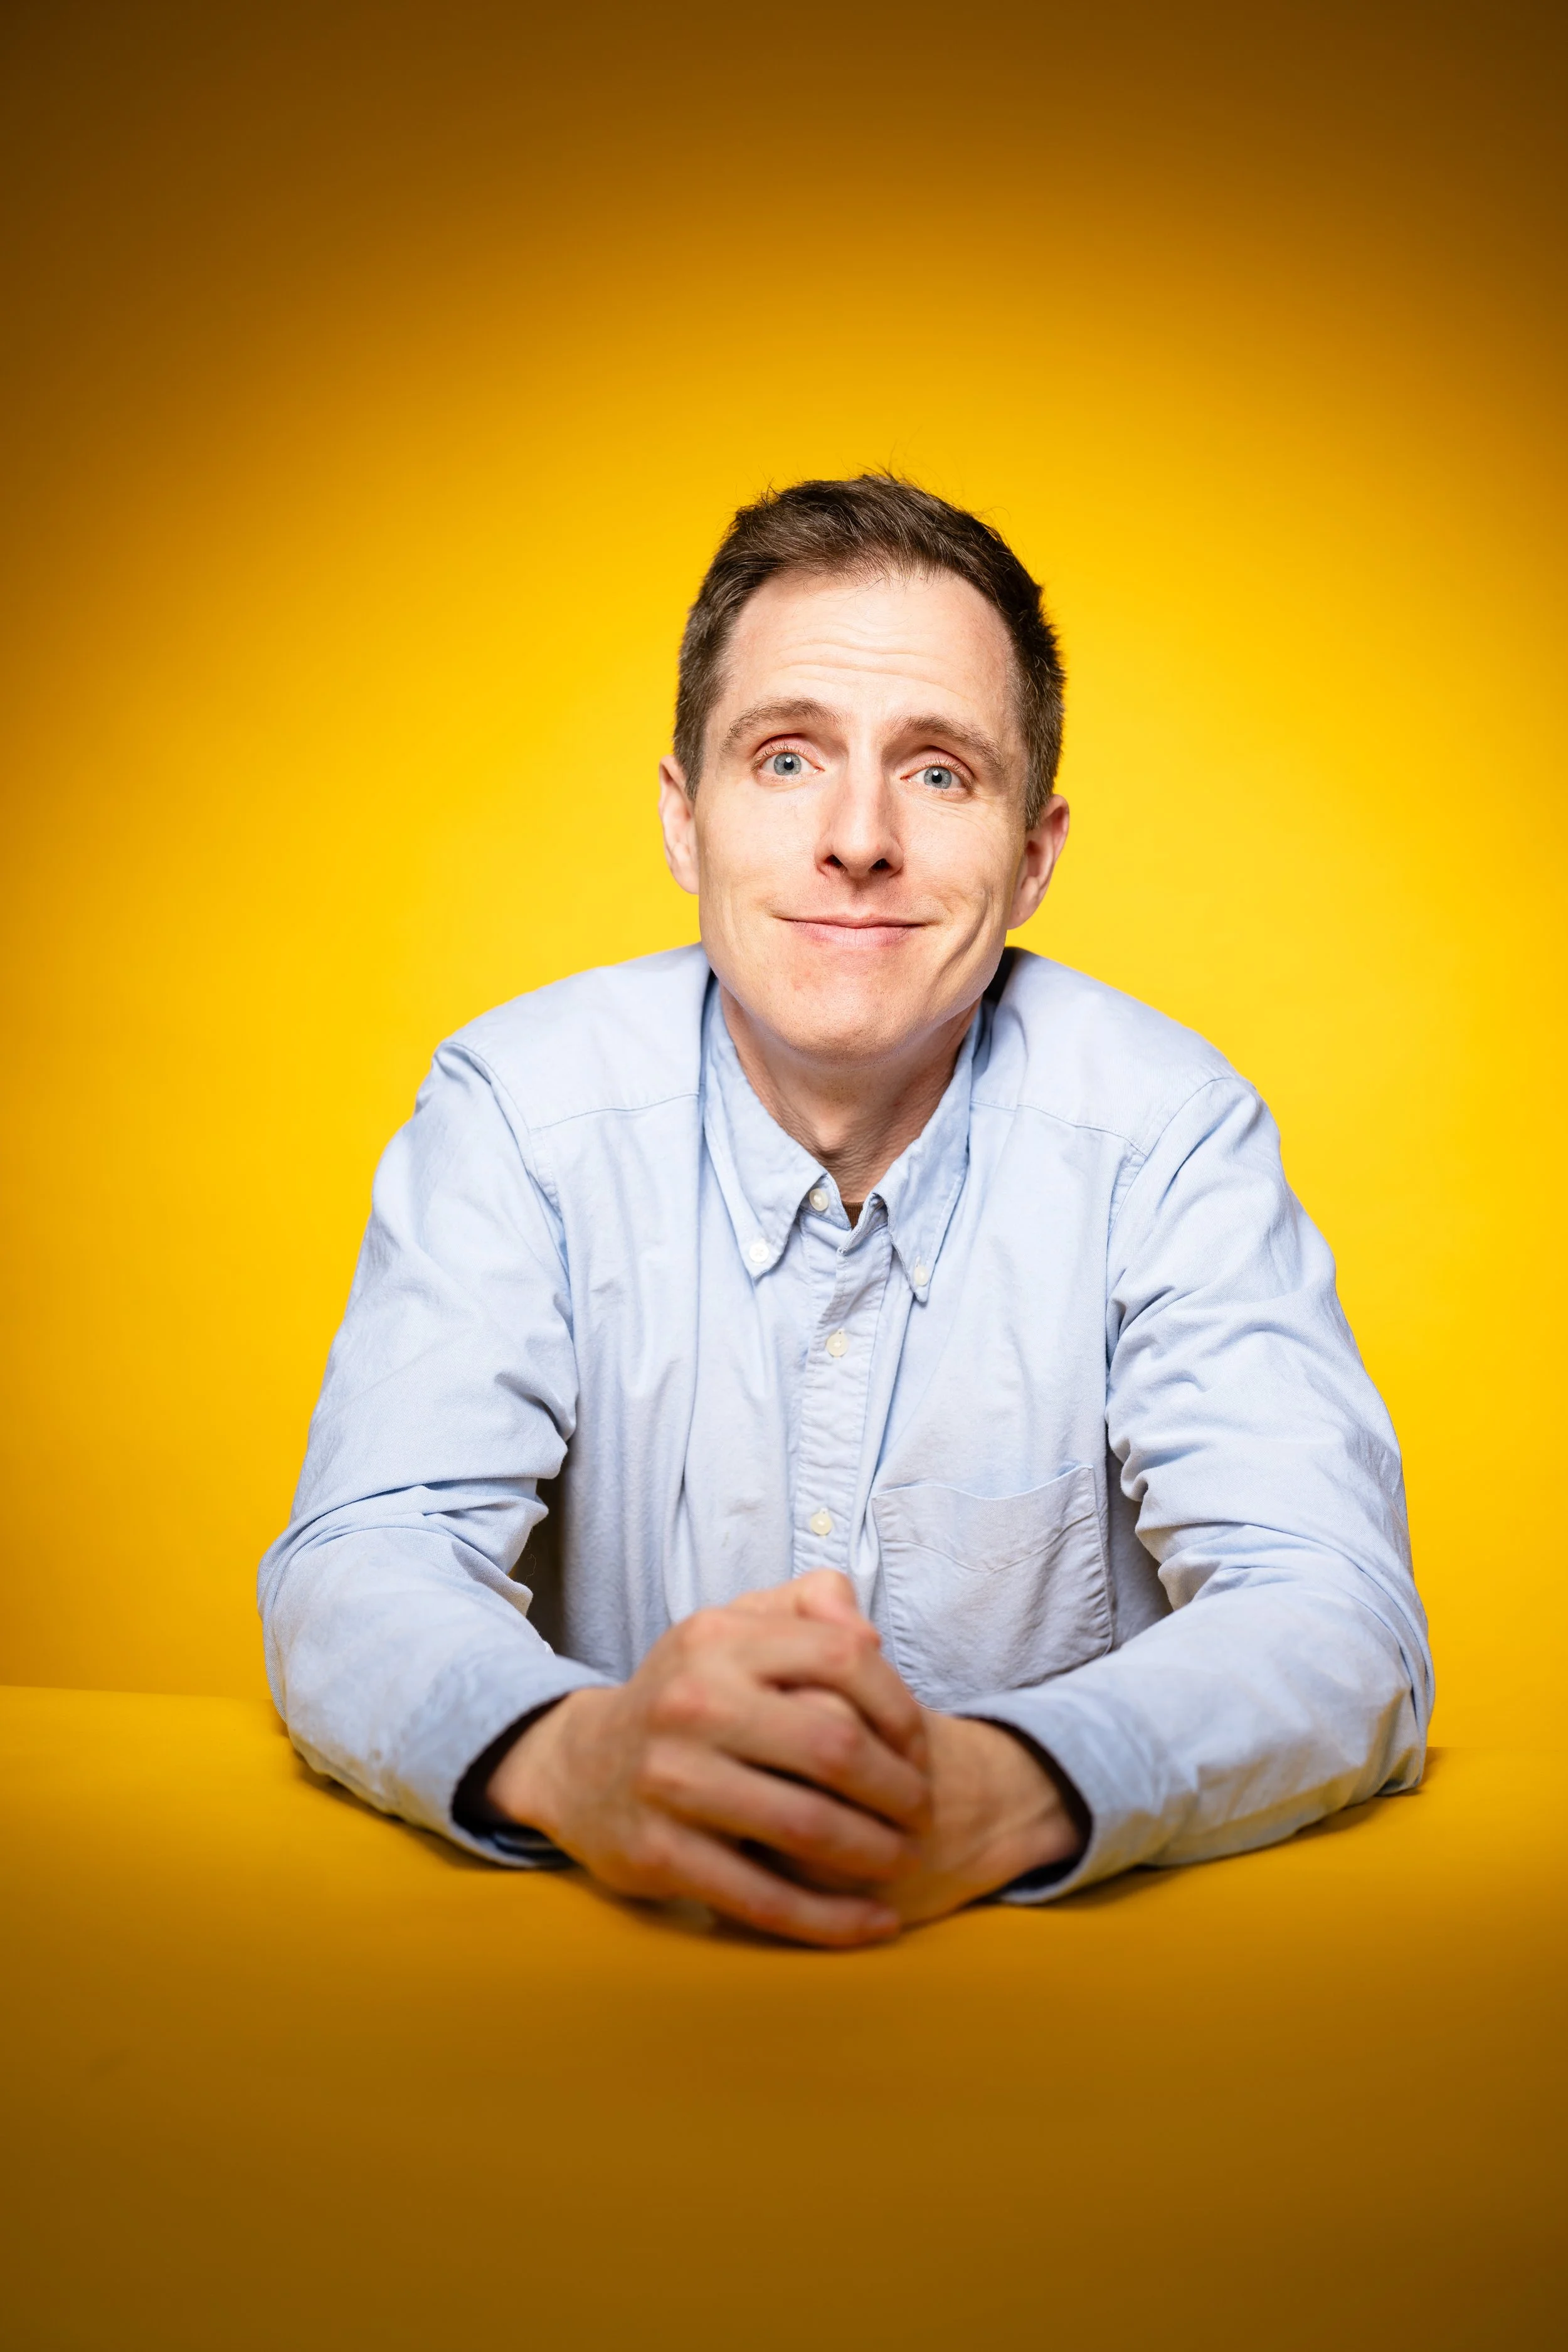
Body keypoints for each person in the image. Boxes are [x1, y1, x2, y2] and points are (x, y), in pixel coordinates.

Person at [259, 475, 1430, 1949]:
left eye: (938, 772)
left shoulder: (1169, 1136)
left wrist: (996, 1789)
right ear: (684, 820)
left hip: (1062, 2029)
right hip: (604, 2008)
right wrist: (577, 1758)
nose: (859, 837)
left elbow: (1332, 1614)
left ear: (1033, 855)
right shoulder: (514, 1110)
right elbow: (362, 1564)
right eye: (787, 757)